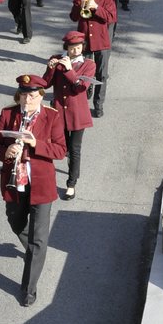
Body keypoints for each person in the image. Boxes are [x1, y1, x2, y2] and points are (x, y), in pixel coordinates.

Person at [0, 73, 67, 307]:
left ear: (41, 96)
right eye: (23, 95)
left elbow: (61, 150)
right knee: (15, 223)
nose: (27, 100)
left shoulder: (52, 117)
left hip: (41, 185)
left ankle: (29, 289)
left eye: (32, 95)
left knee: (38, 239)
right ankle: (35, 251)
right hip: (15, 183)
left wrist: (35, 144)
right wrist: (6, 152)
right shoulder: (7, 114)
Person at [43, 32, 95, 199]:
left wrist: (69, 70)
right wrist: (51, 68)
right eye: (72, 48)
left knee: (75, 149)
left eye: (79, 48)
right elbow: (46, 83)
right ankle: (68, 162)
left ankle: (71, 183)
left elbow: (80, 88)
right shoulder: (57, 59)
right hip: (59, 112)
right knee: (61, 147)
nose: (75, 51)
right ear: (66, 48)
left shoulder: (89, 64)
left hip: (78, 114)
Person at [69, 0, 116, 118]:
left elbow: (111, 18)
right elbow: (73, 18)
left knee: (101, 75)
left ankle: (98, 105)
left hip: (101, 40)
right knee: (83, 73)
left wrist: (96, 7)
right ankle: (82, 102)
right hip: (85, 42)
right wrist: (79, 5)